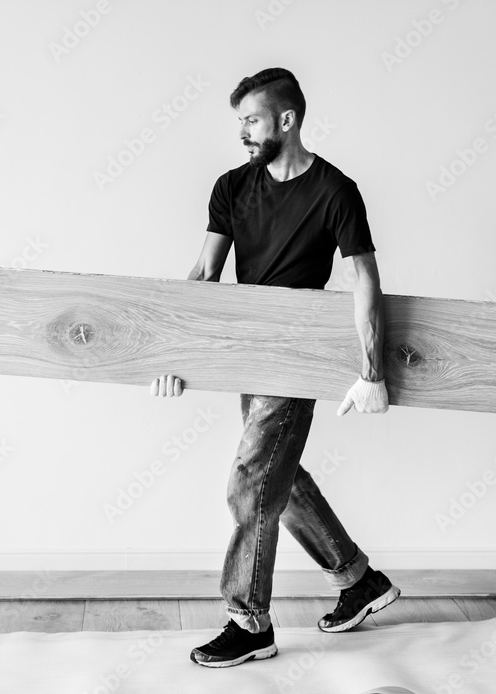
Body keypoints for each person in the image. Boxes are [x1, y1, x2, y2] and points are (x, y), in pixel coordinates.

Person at [150, 67, 399, 669]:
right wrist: (173, 356)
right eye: (239, 121)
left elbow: (364, 278)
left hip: (299, 355)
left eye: (252, 120)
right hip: (248, 349)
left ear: (286, 121)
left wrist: (372, 373)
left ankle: (248, 621)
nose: (243, 132)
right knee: (277, 483)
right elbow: (205, 276)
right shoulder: (231, 187)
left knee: (249, 484)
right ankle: (358, 579)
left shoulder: (336, 191)